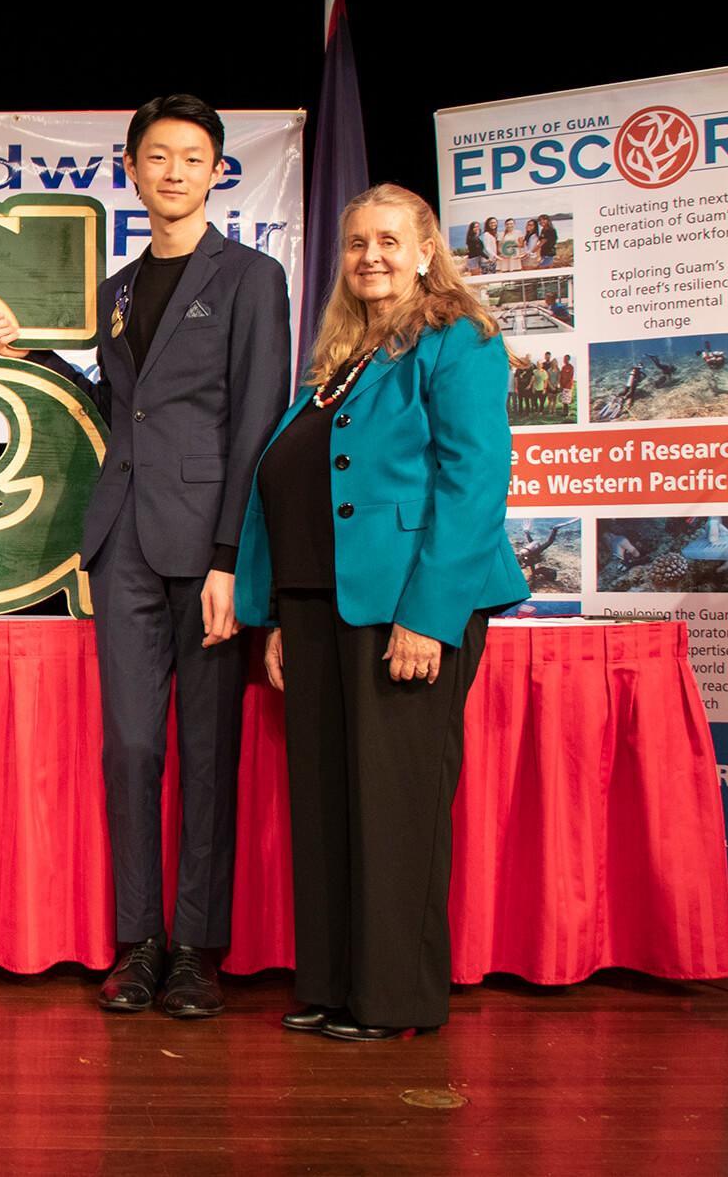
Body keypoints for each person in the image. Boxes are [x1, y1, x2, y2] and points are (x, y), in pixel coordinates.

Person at [0, 94, 292, 1018]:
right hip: (121, 544)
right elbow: (121, 405)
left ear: (216, 171)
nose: (174, 171)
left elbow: (256, 427)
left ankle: (197, 947)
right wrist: (28, 353)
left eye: (192, 157)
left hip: (208, 553)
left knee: (206, 751)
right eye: (157, 156)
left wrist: (234, 554)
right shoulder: (117, 290)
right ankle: (138, 940)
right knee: (130, 747)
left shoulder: (250, 277)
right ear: (132, 167)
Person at [234, 182, 525, 1041]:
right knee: (328, 806)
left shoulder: (457, 341)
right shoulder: (346, 358)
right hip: (321, 610)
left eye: (391, 241)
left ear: (427, 250)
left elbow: (475, 485)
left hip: (406, 608)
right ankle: (330, 985)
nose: (372, 256)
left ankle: (393, 999)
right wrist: (281, 614)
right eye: (358, 242)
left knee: (394, 810)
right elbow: (305, 489)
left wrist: (430, 617)